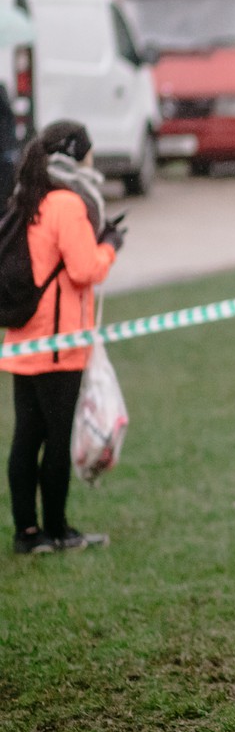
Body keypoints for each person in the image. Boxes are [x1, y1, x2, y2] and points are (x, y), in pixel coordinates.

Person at [3, 120, 124, 555]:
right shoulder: (67, 204)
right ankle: (58, 530)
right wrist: (110, 244)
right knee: (56, 440)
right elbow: (84, 269)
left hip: (24, 341)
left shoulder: (28, 197)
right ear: (77, 155)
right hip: (59, 344)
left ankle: (26, 533)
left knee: (26, 438)